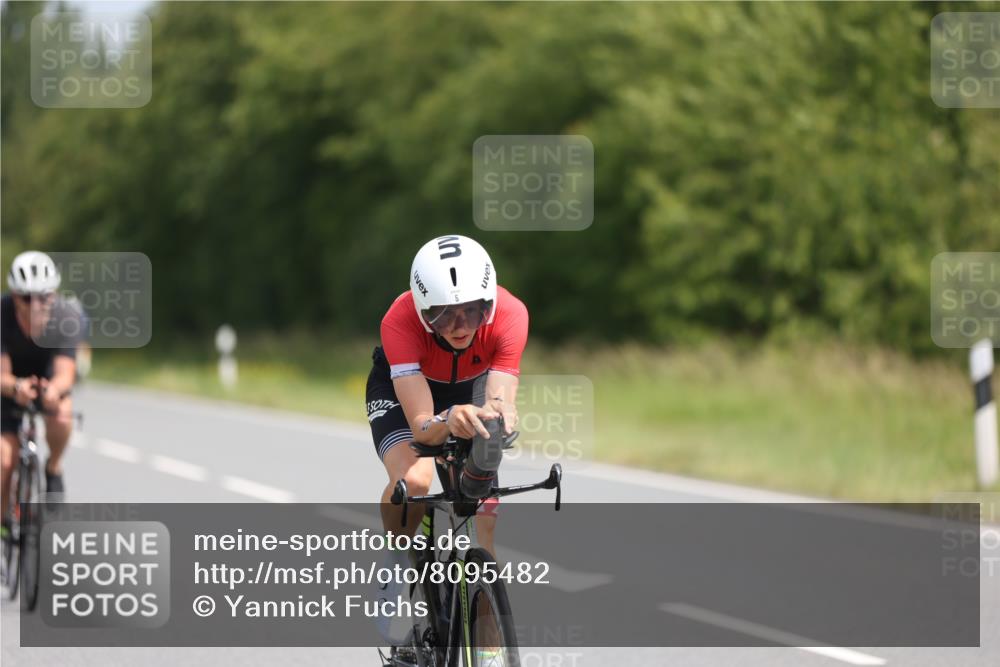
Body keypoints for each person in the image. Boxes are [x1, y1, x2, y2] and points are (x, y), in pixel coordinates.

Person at [367, 234, 528, 557]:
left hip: (468, 388)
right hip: (405, 392)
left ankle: (487, 604)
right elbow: (422, 427)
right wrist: (448, 417)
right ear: (421, 308)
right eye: (441, 315)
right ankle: (393, 568)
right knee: (414, 481)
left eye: (472, 312)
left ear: (489, 304)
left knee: (482, 522)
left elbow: (499, 399)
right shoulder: (399, 320)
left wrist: (499, 413)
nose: (459, 327)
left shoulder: (511, 314)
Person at [1, 251, 83, 539]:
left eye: (44, 297)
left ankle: (53, 466)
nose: (36, 304)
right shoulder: (1, 314)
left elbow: (66, 373)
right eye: (26, 298)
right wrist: (16, 388)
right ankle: (2, 526)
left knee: (62, 414)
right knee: (3, 460)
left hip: (47, 377)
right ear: (14, 297)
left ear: (54, 294)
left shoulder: (66, 316)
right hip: (9, 383)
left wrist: (53, 390)